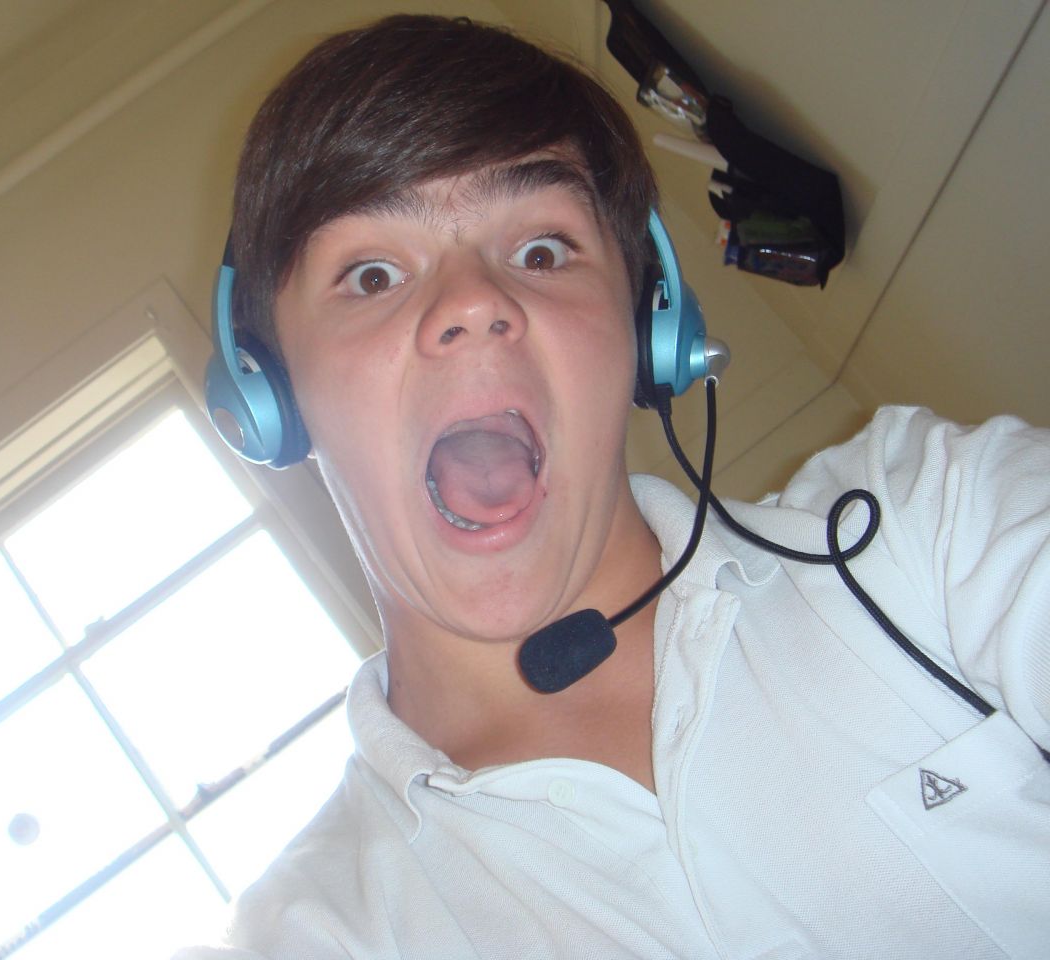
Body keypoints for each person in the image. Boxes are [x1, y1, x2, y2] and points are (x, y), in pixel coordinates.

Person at [181, 14, 1050, 960]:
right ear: (269, 392)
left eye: (541, 252)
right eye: (373, 273)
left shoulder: (928, 525)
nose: (473, 303)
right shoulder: (308, 933)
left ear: (649, 330)